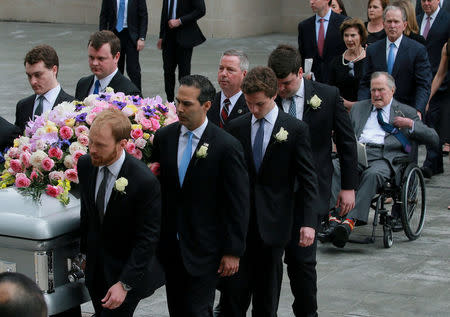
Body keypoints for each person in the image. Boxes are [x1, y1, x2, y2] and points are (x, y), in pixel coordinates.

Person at [219, 66, 318, 317]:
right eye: (250, 103)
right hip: (240, 228)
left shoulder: (294, 129)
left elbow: (308, 179)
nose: (254, 110)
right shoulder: (237, 126)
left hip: (274, 225)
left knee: (266, 301)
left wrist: (308, 222)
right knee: (233, 300)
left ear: (274, 95)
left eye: (259, 104)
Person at [268, 44, 358, 317]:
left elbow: (346, 143)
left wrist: (348, 187)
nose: (280, 89)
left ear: (300, 73)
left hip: (310, 192)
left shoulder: (327, 96)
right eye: (276, 83)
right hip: (273, 194)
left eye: (285, 83)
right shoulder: (267, 99)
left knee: (302, 263)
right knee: (269, 265)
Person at [151, 74, 249, 317]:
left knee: (198, 311)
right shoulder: (165, 138)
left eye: (187, 104)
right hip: (172, 248)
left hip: (206, 248)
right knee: (177, 309)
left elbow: (237, 202)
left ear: (207, 105)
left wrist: (232, 250)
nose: (180, 109)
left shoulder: (226, 146)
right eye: (178, 102)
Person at [325, 72, 439, 248]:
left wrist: (410, 124)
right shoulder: (359, 108)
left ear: (392, 90)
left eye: (381, 90)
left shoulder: (405, 111)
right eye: (373, 90)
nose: (376, 95)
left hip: (385, 157)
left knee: (373, 174)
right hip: (358, 152)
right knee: (334, 165)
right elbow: (345, 133)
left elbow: (434, 138)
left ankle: (349, 221)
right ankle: (333, 217)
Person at [78, 108, 164, 317]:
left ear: (122, 144)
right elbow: (87, 213)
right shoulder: (86, 165)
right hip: (96, 269)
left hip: (126, 272)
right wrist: (84, 253)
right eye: (90, 142)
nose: (92, 150)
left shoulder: (143, 181)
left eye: (100, 145)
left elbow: (147, 238)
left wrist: (125, 284)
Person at [358, 5, 432, 117]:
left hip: (407, 111)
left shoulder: (417, 50)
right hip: (377, 111)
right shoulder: (373, 50)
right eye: (389, 21)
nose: (392, 26)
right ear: (383, 24)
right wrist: (361, 107)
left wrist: (418, 111)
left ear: (404, 25)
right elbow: (365, 82)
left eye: (396, 22)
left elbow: (423, 85)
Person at [417, 0, 450, 178]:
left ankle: (432, 161)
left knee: (435, 120)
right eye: (423, 0)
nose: (426, 3)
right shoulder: (418, 19)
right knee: (431, 120)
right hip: (428, 78)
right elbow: (440, 73)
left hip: (445, 87)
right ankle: (434, 162)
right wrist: (428, 96)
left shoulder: (447, 19)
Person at [15, 44, 74, 132]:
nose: (33, 81)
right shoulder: (23, 106)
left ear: (54, 70)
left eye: (38, 75)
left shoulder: (72, 105)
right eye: (29, 76)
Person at [157, 0, 206, 102]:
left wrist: (180, 21)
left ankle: (183, 101)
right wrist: (161, 36)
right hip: (168, 38)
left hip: (185, 36)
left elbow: (201, 10)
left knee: (184, 73)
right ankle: (170, 102)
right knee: (168, 71)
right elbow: (164, 13)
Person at [75, 30, 141, 101]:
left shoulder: (129, 93)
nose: (95, 63)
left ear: (116, 57)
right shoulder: (82, 84)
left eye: (101, 58)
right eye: (91, 57)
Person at [99, 0, 148, 93]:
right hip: (114, 35)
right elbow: (103, 15)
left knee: (133, 69)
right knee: (115, 67)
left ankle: (136, 95)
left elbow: (143, 16)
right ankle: (114, 95)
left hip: (131, 35)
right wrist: (102, 36)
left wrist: (142, 38)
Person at [298, 0, 347, 83]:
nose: (311, 2)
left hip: (338, 81)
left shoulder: (344, 22)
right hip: (313, 82)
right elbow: (302, 55)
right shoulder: (304, 26)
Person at [329, 18, 368, 110]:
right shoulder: (336, 62)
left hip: (364, 110)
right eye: (346, 35)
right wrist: (346, 104)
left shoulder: (370, 60)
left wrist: (356, 105)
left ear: (361, 36)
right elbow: (331, 90)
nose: (349, 39)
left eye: (353, 35)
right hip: (341, 110)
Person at [207, 49, 249, 129]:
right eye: (221, 68)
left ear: (244, 74)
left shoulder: (252, 105)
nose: (223, 74)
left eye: (230, 70)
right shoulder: (208, 101)